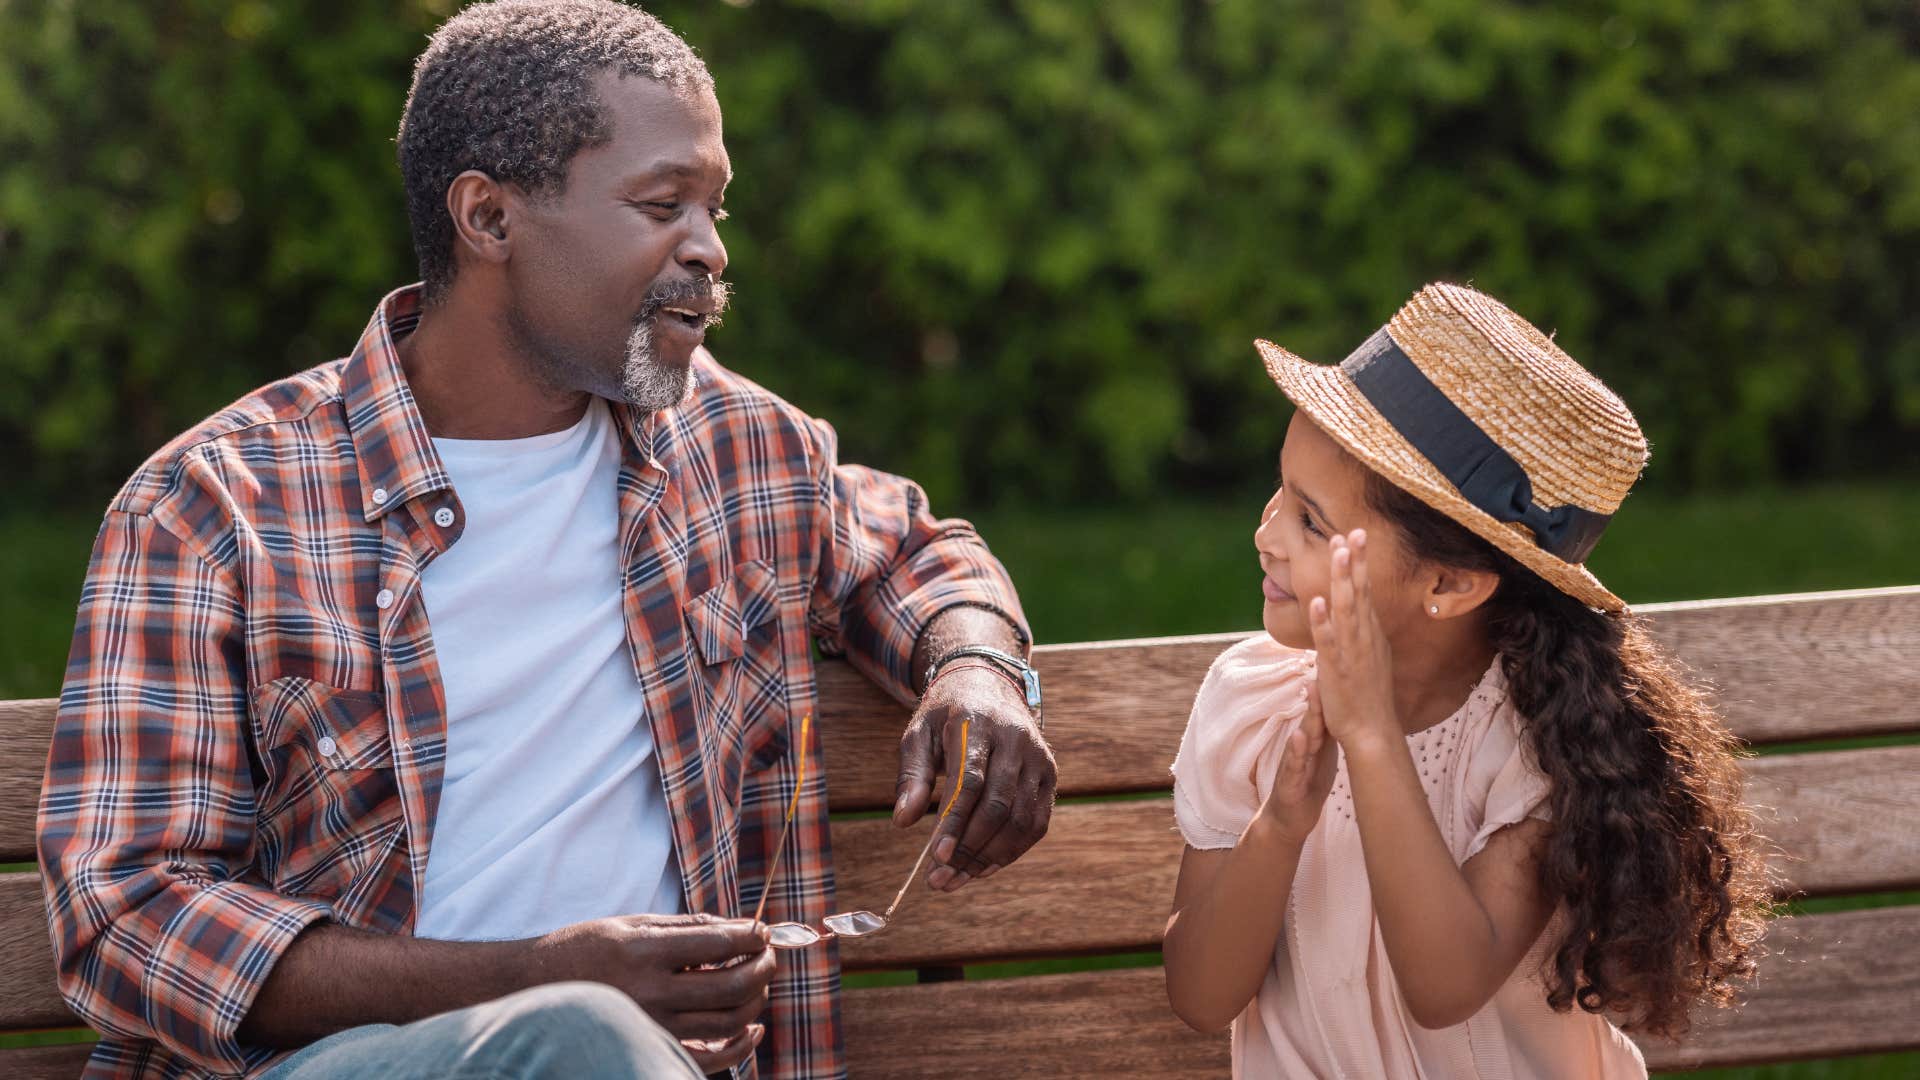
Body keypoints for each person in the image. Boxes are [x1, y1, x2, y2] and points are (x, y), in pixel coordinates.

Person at [37, 3, 1056, 1078]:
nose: (711, 251)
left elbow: (912, 551)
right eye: (663, 204)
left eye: (715, 208)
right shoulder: (217, 508)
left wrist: (980, 669)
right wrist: (533, 980)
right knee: (583, 1038)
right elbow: (128, 916)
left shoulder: (737, 450)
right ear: (488, 219)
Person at [1161, 283, 1769, 1077]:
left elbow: (1444, 985)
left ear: (1448, 586)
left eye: (1312, 521)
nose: (1266, 533)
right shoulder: (1252, 705)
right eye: (1281, 492)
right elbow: (1201, 999)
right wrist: (1277, 826)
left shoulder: (1539, 747)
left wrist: (1373, 738)